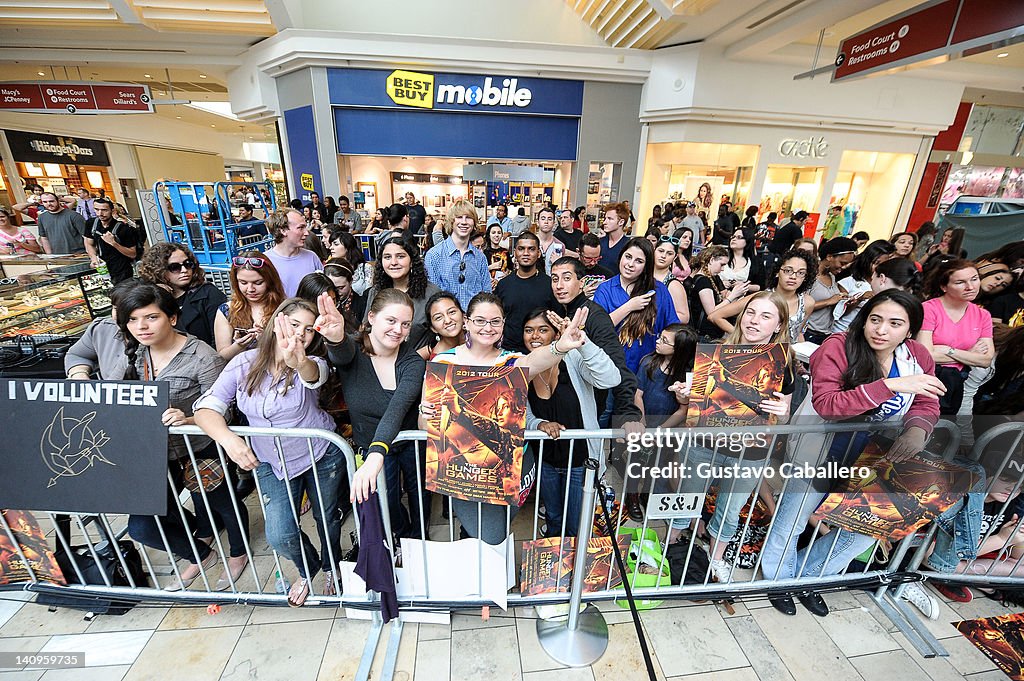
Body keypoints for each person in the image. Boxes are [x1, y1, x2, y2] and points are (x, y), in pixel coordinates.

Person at [761, 289, 943, 617]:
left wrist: (918, 429)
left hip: (878, 457)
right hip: (820, 449)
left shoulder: (917, 357)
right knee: (794, 519)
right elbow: (828, 404)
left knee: (864, 531)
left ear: (910, 330)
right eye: (875, 319)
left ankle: (809, 577)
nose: (881, 329)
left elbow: (927, 399)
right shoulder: (838, 346)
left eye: (894, 323)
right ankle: (778, 579)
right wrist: (888, 386)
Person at [195, 297, 342, 605]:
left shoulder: (314, 363)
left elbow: (315, 376)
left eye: (309, 330)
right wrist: (231, 441)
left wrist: (298, 361)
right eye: (293, 324)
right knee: (279, 533)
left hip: (320, 454)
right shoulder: (243, 363)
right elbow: (206, 408)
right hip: (269, 461)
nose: (300, 334)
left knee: (326, 517)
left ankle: (331, 566)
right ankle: (307, 567)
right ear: (277, 322)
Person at [417, 293, 592, 544]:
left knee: (498, 531)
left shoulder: (510, 360)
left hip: (514, 466)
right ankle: (486, 579)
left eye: (495, 321)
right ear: (466, 322)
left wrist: (561, 346)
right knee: (490, 535)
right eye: (479, 321)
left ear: (503, 324)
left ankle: (496, 578)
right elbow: (424, 423)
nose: (487, 328)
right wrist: (426, 416)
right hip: (462, 471)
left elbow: (534, 361)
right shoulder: (444, 362)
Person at [118, 284, 248, 593]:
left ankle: (238, 552)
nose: (142, 327)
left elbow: (225, 409)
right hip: (158, 452)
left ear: (172, 318)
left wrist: (187, 419)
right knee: (141, 525)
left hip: (202, 447)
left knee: (223, 505)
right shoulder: (138, 356)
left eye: (151, 317)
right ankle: (200, 553)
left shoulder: (202, 356)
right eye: (133, 320)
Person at [667, 293, 794, 585]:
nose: (754, 321)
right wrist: (684, 394)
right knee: (685, 498)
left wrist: (783, 411)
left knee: (730, 507)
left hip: (750, 451)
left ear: (778, 325)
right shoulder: (715, 352)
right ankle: (671, 546)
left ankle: (716, 558)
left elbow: (781, 417)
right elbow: (695, 400)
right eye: (751, 312)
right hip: (703, 443)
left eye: (765, 316)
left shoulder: (782, 363)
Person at [315, 289, 428, 538]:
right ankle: (401, 535)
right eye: (391, 321)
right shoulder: (353, 350)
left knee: (420, 495)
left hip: (408, 442)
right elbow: (341, 353)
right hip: (371, 444)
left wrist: (377, 453)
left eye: (405, 324)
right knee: (386, 502)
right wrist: (335, 338)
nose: (398, 330)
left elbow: (397, 408)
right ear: (372, 317)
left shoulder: (413, 362)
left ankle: (420, 540)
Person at [523, 307, 620, 537]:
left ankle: (576, 567)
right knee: (553, 517)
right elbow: (523, 415)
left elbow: (611, 378)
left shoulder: (573, 358)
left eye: (542, 330)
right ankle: (556, 565)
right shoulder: (524, 365)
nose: (534, 336)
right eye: (529, 330)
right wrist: (538, 424)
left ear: (556, 335)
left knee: (577, 522)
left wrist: (582, 342)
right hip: (546, 460)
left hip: (580, 460)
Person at [918, 259, 995, 415]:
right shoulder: (929, 309)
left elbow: (986, 360)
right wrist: (970, 354)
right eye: (960, 282)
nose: (971, 287)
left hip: (956, 383)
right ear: (944, 286)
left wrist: (949, 351)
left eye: (974, 279)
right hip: (924, 379)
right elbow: (925, 355)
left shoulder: (983, 315)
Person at [594, 237, 680, 373]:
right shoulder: (605, 289)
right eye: (628, 257)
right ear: (621, 256)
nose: (630, 264)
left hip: (648, 370)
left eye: (639, 261)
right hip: (611, 368)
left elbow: (673, 328)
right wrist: (629, 306)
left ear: (647, 266)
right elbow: (598, 328)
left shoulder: (659, 290)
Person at [709, 248, 818, 343]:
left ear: (806, 277)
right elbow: (715, 316)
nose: (793, 276)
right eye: (788, 270)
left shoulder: (807, 302)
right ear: (777, 271)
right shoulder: (760, 298)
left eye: (801, 273)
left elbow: (797, 333)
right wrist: (742, 336)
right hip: (759, 356)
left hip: (786, 357)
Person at [139, 242, 226, 347]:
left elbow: (219, 341)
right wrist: (156, 291)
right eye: (175, 267)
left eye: (188, 264)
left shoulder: (208, 293)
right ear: (159, 271)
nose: (184, 270)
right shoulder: (153, 298)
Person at [364, 237, 441, 349]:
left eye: (400, 256)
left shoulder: (431, 293)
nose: (393, 262)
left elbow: (443, 336)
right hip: (380, 360)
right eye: (387, 257)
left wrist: (417, 357)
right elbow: (367, 329)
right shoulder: (375, 291)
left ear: (411, 262)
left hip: (418, 361)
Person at [65, 279, 143, 380]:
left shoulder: (155, 336)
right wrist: (79, 375)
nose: (120, 316)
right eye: (116, 309)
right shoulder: (102, 329)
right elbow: (77, 355)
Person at [214, 252, 285, 362]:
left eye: (258, 283)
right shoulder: (226, 311)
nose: (250, 289)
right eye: (243, 283)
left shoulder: (284, 308)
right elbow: (221, 356)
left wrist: (265, 340)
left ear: (270, 281)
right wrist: (239, 345)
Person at [424, 200, 491, 310]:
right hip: (446, 322)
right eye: (459, 217)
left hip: (474, 322)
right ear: (451, 221)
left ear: (474, 223)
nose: (464, 222)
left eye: (468, 217)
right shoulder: (434, 255)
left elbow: (487, 295)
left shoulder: (480, 258)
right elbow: (433, 298)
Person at [495, 232, 554, 353]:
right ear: (515, 252)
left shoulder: (550, 285)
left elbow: (556, 319)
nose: (526, 253)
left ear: (538, 253)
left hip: (542, 350)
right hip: (509, 351)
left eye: (531, 249)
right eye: (521, 249)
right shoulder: (503, 285)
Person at [635, 323, 696, 430]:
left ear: (679, 348)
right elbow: (637, 395)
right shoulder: (648, 364)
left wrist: (660, 430)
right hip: (643, 423)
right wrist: (642, 423)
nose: (658, 341)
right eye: (660, 337)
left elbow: (683, 410)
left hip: (668, 429)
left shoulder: (687, 374)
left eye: (664, 340)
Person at [832, 240, 898, 333]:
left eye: (883, 264)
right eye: (876, 263)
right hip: (840, 331)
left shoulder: (886, 285)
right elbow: (838, 312)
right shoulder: (848, 282)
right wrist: (860, 299)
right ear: (867, 261)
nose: (879, 267)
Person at [804, 237, 858, 345]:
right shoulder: (810, 275)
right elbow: (799, 305)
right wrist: (829, 301)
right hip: (807, 332)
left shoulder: (832, 277)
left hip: (824, 334)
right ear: (829, 256)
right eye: (842, 263)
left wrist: (846, 302)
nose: (843, 268)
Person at [264, 208, 323, 297]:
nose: (306, 233)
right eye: (300, 228)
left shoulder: (312, 257)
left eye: (305, 227)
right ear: (283, 230)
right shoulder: (265, 261)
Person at [688, 244, 735, 342]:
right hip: (705, 336)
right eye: (721, 265)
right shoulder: (703, 281)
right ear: (712, 260)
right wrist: (732, 297)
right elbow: (711, 312)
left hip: (708, 335)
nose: (722, 269)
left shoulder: (710, 278)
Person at [651, 235, 690, 324]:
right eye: (661, 251)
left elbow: (684, 317)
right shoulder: (642, 274)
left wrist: (657, 318)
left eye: (669, 253)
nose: (663, 256)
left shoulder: (674, 284)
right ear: (654, 251)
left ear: (675, 257)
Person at [418, 291, 465, 360]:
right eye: (438, 317)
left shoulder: (479, 339)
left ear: (463, 315)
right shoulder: (434, 353)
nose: (448, 321)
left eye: (452, 312)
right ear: (433, 328)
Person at [327, 229, 373, 295]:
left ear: (347, 246)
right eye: (331, 244)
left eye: (336, 244)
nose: (331, 247)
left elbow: (369, 292)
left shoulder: (365, 268)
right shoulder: (330, 267)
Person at [721, 228, 765, 292]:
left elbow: (760, 287)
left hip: (744, 299)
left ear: (747, 240)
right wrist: (720, 283)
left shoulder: (756, 262)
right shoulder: (721, 257)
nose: (734, 239)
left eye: (739, 237)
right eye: (733, 237)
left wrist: (745, 286)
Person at [323, 259, 367, 324]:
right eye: (332, 288)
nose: (337, 292)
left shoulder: (362, 304)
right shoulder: (322, 302)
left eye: (341, 288)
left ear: (351, 281)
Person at [598, 202, 630, 272]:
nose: (604, 222)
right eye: (605, 218)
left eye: (610, 219)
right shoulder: (600, 242)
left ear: (621, 222)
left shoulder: (628, 245)